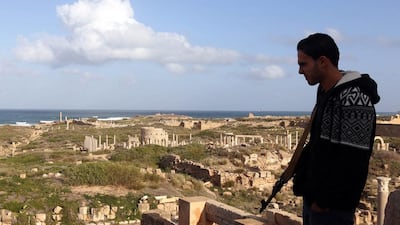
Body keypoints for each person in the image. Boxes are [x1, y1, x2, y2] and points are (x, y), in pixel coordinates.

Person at [293, 33, 380, 225]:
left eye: (303, 64)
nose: (300, 71)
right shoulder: (326, 92)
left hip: (332, 209)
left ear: (322, 61)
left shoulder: (355, 99)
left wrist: (323, 202)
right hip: (315, 200)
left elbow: (352, 160)